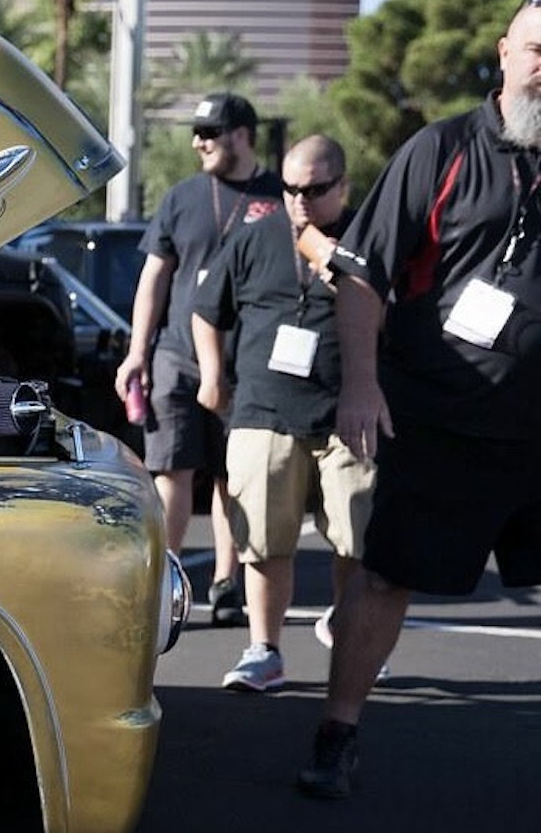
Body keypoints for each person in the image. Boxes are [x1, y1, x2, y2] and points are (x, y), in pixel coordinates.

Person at [297, 0, 541, 799]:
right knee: (388, 576)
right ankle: (338, 734)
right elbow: (361, 275)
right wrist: (360, 387)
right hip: (441, 419)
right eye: (536, 50)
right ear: (503, 53)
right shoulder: (441, 151)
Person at [191, 135, 374, 693]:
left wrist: (336, 266)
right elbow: (206, 311)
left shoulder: (368, 238)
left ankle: (352, 636)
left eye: (315, 190)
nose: (300, 201)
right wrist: (212, 375)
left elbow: (394, 313)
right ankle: (263, 650)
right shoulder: (253, 237)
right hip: (264, 409)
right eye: (291, 188)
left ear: (342, 186)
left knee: (357, 537)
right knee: (263, 540)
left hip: (346, 410)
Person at [115, 91, 283, 625]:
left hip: (246, 363)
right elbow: (154, 277)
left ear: (242, 135)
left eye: (210, 133)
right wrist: (136, 352)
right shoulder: (183, 196)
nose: (198, 142)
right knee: (172, 468)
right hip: (175, 356)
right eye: (197, 132)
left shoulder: (278, 197)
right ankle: (162, 580)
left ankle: (226, 583)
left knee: (234, 477)